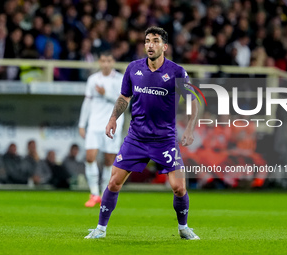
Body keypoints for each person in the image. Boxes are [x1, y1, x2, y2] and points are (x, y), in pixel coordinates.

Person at [85, 27, 200, 240]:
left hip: (165, 139)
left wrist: (191, 127)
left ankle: (183, 228)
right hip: (136, 138)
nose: (150, 45)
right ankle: (100, 229)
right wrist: (112, 119)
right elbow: (123, 98)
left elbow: (193, 101)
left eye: (155, 41)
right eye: (147, 41)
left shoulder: (176, 72)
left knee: (179, 188)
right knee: (113, 182)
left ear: (164, 47)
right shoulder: (133, 69)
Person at [79, 51, 124, 207]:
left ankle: (104, 194)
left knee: (108, 161)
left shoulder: (120, 79)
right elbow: (87, 102)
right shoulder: (93, 79)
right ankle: (94, 193)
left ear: (113, 62)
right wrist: (81, 124)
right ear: (99, 62)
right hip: (94, 124)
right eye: (103, 61)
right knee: (90, 157)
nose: (106, 64)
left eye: (109, 60)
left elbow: (124, 102)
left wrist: (107, 94)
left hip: (113, 124)